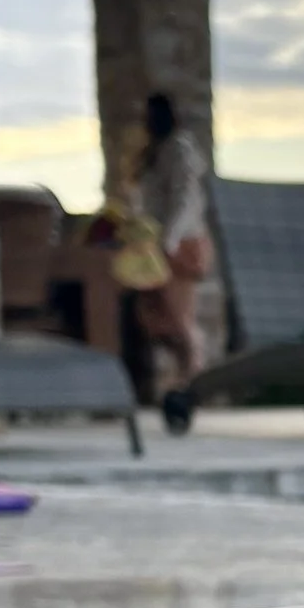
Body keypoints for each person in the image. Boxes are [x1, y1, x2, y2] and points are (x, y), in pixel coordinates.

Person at [118, 91, 211, 396]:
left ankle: (193, 381)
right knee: (152, 315)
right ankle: (175, 378)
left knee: (179, 316)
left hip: (179, 244)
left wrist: (169, 240)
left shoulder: (180, 149)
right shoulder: (155, 152)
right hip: (152, 244)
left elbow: (184, 200)